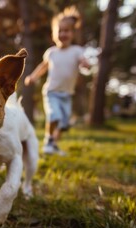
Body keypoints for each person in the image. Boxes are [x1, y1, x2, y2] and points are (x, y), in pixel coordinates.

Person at [25, 6, 89, 156]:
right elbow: (43, 67)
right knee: (55, 116)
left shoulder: (77, 51)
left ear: (73, 33)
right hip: (51, 92)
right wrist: (33, 77)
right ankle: (48, 143)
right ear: (54, 34)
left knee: (64, 124)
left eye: (66, 31)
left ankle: (53, 145)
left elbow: (83, 61)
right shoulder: (52, 52)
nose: (63, 34)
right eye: (59, 31)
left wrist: (86, 64)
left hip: (67, 94)